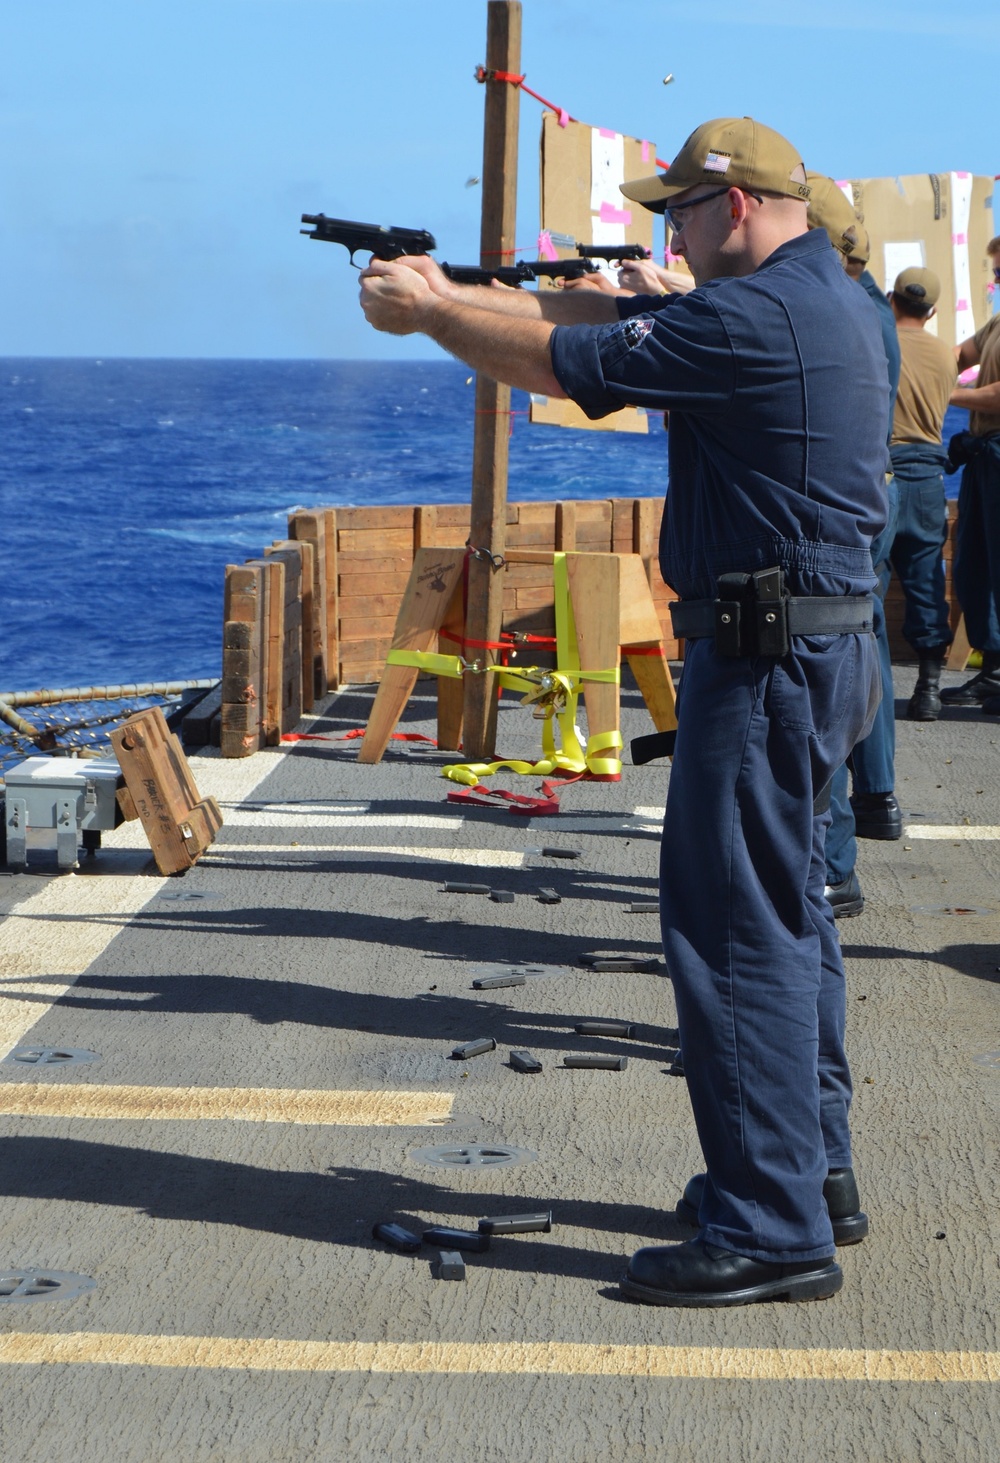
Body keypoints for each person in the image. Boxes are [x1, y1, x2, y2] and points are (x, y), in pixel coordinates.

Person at [358, 115, 886, 1308]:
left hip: (762, 663)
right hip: (818, 650)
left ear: (735, 208)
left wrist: (436, 311)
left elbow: (567, 365)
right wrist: (486, 295)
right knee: (789, 919)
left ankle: (768, 1225)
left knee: (735, 934)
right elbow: (623, 324)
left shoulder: (752, 315)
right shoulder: (829, 295)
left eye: (681, 214)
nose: (670, 235)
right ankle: (810, 1176)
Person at [805, 179, 902, 919]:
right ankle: (875, 803)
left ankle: (835, 863)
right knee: (862, 650)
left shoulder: (842, 313)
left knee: (833, 663)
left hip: (848, 506)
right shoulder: (871, 309)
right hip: (881, 488)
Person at [884, 267, 958, 718]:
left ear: (892, 300)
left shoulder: (879, 343)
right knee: (927, 580)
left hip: (884, 473)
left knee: (866, 577)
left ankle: (863, 688)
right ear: (931, 311)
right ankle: (928, 690)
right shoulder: (946, 356)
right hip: (929, 477)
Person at [940, 235, 1000, 714]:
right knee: (972, 563)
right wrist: (912, 357)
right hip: (983, 456)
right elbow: (959, 357)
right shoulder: (997, 322)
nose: (994, 281)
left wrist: (944, 396)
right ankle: (993, 664)